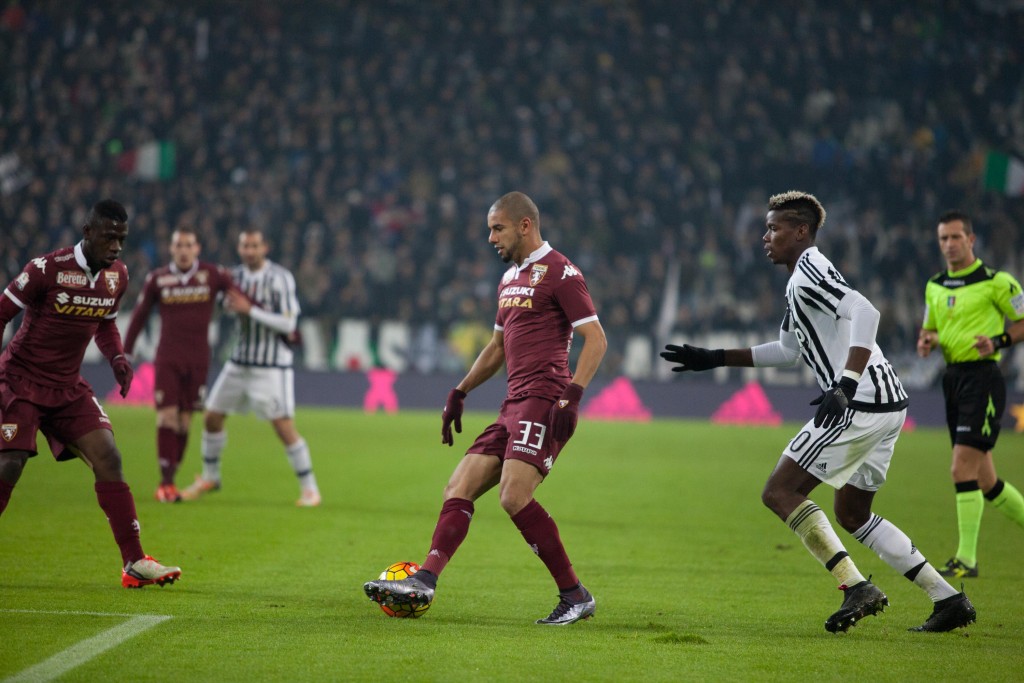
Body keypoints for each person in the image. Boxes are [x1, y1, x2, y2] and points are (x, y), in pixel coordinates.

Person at [660, 191, 974, 633]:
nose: (765, 237)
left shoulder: (809, 269)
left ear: (801, 231)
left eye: (774, 228)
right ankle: (948, 599)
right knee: (853, 515)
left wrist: (845, 382)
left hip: (858, 400)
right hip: (886, 402)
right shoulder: (799, 281)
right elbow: (788, 350)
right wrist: (715, 357)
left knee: (779, 491)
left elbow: (867, 310)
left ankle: (856, 586)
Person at [363, 191, 607, 625]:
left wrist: (573, 395)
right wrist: (460, 391)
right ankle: (425, 580)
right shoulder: (510, 278)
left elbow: (597, 339)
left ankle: (575, 595)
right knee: (458, 486)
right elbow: (496, 347)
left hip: (545, 397)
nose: (491, 238)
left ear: (525, 225)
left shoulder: (561, 272)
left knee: (514, 496)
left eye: (498, 228)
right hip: (512, 402)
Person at [0, 199, 182, 588]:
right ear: (88, 233)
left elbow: (106, 325)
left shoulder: (118, 276)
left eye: (122, 239)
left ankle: (134, 562)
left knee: (109, 456)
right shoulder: (45, 269)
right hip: (22, 380)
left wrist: (117, 357)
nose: (116, 247)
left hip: (68, 386)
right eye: (109, 238)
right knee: (10, 464)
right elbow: (2, 311)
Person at [917, 210, 1024, 578]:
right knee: (986, 481)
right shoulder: (934, 286)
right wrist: (927, 340)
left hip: (983, 379)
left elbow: (1023, 320)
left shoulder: (998, 282)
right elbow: (929, 328)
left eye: (955, 237)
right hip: (953, 379)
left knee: (961, 467)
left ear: (971, 239)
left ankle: (966, 560)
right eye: (943, 238)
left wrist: (998, 340)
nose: (948, 244)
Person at [180, 228, 320, 507]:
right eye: (245, 246)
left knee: (283, 427)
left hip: (272, 366)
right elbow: (220, 306)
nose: (249, 251)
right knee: (212, 417)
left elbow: (289, 324)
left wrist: (250, 310)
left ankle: (310, 489)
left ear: (264, 247)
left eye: (254, 246)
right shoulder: (234, 277)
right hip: (240, 361)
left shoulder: (280, 278)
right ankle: (210, 476)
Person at [123, 227, 238, 503]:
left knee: (185, 423)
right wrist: (125, 353)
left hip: (198, 360)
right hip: (168, 358)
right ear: (171, 249)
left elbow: (237, 293)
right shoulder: (159, 279)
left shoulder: (212, 275)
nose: (184, 250)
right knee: (167, 417)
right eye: (179, 245)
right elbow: (139, 316)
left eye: (189, 245)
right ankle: (166, 483)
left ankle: (170, 478)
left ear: (197, 248)